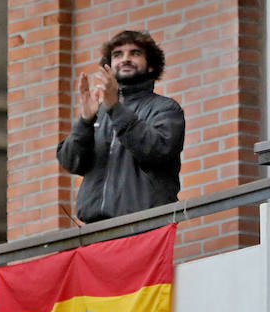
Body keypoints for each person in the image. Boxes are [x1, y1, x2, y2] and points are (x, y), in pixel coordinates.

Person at [57, 29, 185, 223]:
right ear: (109, 66)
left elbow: (157, 150)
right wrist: (85, 120)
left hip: (146, 226)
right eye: (118, 54)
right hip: (95, 231)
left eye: (135, 53)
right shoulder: (99, 113)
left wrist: (115, 109)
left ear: (151, 66)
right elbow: (71, 161)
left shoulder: (166, 109)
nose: (125, 59)